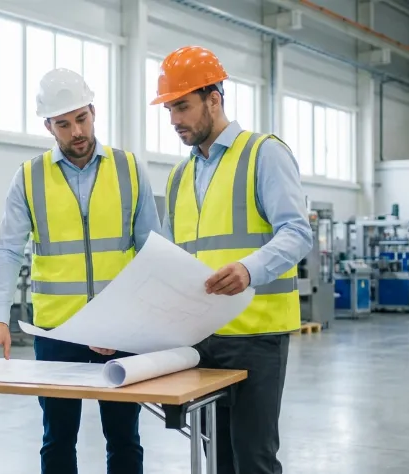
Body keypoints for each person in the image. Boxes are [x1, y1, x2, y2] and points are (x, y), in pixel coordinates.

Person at [0, 67, 162, 474]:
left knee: (124, 437)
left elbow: (153, 253)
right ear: (49, 126)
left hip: (119, 330)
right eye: (64, 123)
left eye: (82, 118)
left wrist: (146, 320)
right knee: (58, 436)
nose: (76, 131)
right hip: (57, 332)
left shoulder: (129, 169)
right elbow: (8, 251)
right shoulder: (28, 178)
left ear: (93, 111)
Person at [151, 45, 313, 474]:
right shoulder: (179, 175)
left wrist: (248, 269)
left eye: (182, 107)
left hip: (256, 335)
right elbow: (169, 259)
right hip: (200, 338)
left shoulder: (263, 153)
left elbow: (297, 233)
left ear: (214, 99)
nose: (174, 121)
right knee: (217, 455)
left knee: (253, 459)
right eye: (169, 110)